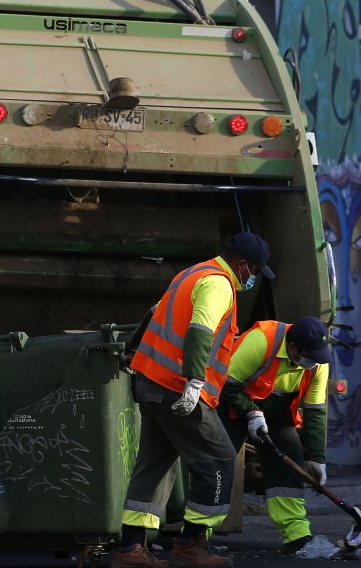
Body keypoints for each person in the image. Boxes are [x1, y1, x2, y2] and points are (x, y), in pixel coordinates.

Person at [113, 232, 275, 568]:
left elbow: (154, 312)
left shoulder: (191, 273)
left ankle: (130, 548)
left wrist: (131, 348)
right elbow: (200, 330)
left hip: (152, 383)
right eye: (256, 271)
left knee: (154, 466)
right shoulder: (218, 284)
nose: (255, 278)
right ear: (243, 265)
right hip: (178, 389)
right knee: (219, 458)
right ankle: (190, 542)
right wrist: (194, 382)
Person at [218, 316, 331, 555]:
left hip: (277, 414)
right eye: (309, 356)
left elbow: (315, 412)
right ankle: (196, 534)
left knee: (288, 466)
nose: (314, 362)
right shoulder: (262, 341)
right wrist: (250, 412)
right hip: (233, 405)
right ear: (293, 348)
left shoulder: (318, 363)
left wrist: (317, 458)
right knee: (219, 463)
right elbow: (225, 381)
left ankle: (296, 533)